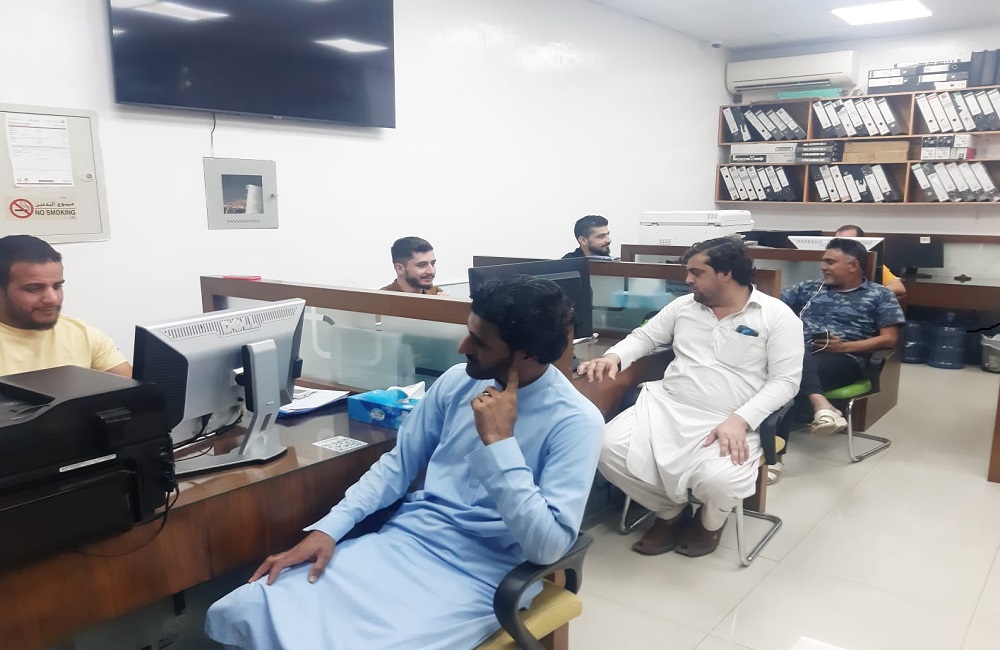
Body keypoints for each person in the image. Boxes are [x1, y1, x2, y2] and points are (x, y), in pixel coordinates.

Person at [205, 275, 605, 649]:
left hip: (481, 574)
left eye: (480, 343)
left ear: (527, 354)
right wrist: (329, 529)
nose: (462, 347)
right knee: (247, 605)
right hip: (407, 540)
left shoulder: (576, 421)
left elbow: (548, 547)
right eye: (469, 332)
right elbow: (396, 467)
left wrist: (500, 444)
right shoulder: (457, 381)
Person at [578, 237, 803, 558]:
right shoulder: (683, 307)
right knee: (606, 448)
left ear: (726, 274)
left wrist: (740, 420)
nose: (687, 279)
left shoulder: (776, 316)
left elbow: (786, 382)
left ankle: (709, 523)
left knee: (719, 481)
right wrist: (613, 357)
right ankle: (670, 513)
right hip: (666, 406)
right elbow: (644, 337)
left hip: (730, 418)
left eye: (697, 273)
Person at [782, 238, 904, 439]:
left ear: (853, 265)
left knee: (788, 368)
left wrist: (843, 347)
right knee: (782, 358)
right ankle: (822, 408)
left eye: (830, 262)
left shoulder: (880, 295)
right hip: (802, 352)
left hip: (845, 359)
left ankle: (775, 440)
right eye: (823, 261)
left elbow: (889, 339)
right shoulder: (808, 288)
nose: (823, 267)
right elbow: (770, 304)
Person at [0, 234, 131, 377]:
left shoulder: (83, 335)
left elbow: (136, 387)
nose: (53, 299)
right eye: (34, 289)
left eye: (57, 286)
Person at [835, 224, 907, 298]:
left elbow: (898, 287)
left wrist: (868, 294)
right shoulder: (829, 266)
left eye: (847, 243)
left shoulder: (873, 264)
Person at [380, 236, 445, 295]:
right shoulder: (381, 299)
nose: (431, 271)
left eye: (433, 264)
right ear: (400, 269)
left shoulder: (436, 293)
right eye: (422, 265)